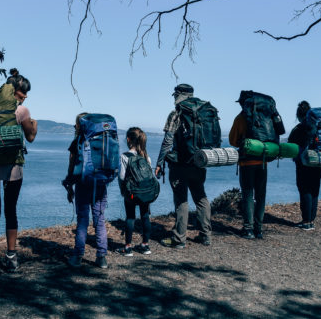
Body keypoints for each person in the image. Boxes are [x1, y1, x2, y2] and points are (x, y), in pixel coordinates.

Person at [0, 68, 37, 271]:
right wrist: (34, 125)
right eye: (24, 92)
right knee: (11, 211)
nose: (26, 96)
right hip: (12, 166)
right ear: (15, 91)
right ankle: (11, 257)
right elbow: (30, 137)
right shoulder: (22, 111)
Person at [155, 84, 212, 248]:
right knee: (201, 197)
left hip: (180, 164)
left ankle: (179, 239)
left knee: (181, 200)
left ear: (179, 96)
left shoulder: (176, 113)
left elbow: (167, 142)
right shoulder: (203, 112)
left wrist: (159, 164)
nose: (173, 99)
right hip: (200, 162)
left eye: (175, 96)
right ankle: (206, 235)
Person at [65, 113, 109, 269]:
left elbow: (71, 167)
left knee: (82, 221)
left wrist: (69, 186)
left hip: (82, 185)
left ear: (79, 125)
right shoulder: (101, 141)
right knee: (99, 220)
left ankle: (77, 256)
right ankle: (102, 257)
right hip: (100, 186)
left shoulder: (77, 142)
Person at [229, 98, 267, 239]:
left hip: (246, 162)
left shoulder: (240, 118)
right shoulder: (265, 116)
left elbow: (233, 140)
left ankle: (248, 229)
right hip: (263, 161)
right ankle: (259, 229)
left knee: (248, 194)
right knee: (261, 195)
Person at [117, 127, 152, 256]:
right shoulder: (146, 157)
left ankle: (127, 247)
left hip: (131, 193)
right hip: (145, 193)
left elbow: (121, 176)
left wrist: (123, 190)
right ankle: (145, 245)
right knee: (145, 216)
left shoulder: (124, 157)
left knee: (130, 217)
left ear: (128, 139)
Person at [288, 101, 321, 231]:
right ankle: (311, 220)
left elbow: (291, 146)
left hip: (303, 164)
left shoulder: (298, 129)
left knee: (305, 190)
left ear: (298, 115)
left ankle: (306, 221)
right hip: (317, 162)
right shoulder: (318, 126)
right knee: (314, 190)